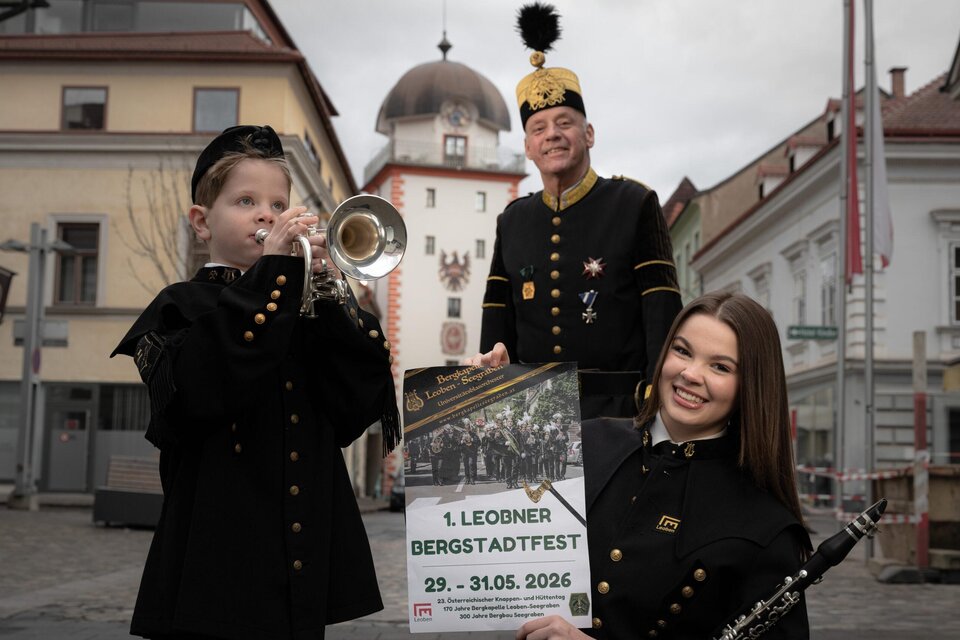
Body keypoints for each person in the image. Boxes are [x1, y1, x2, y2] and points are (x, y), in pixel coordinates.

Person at [110, 125, 399, 640]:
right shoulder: (179, 307)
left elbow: (357, 405)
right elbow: (199, 392)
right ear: (202, 222)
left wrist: (333, 296)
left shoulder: (308, 311)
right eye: (246, 200)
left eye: (278, 202)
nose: (268, 214)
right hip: (218, 557)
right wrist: (272, 277)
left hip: (302, 558)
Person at [516, 292, 811, 639]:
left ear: (750, 386)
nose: (690, 373)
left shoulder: (768, 528)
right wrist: (487, 389)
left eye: (720, 366)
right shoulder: (589, 442)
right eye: (682, 351)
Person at [467, 3, 682, 419]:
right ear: (528, 147)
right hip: (534, 415)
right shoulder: (511, 220)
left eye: (564, 122)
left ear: (589, 133)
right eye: (539, 128)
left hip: (620, 414)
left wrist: (658, 406)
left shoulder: (635, 203)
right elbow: (496, 326)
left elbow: (662, 316)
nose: (553, 136)